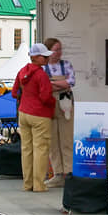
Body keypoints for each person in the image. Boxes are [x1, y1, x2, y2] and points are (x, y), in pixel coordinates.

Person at [11, 43, 56, 192]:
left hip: (24, 113)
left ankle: (27, 183)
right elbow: (46, 96)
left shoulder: (22, 71)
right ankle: (39, 185)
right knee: (41, 149)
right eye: (44, 56)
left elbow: (14, 92)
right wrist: (53, 104)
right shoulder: (41, 74)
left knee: (26, 149)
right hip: (39, 115)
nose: (47, 59)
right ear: (36, 57)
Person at [42, 37, 75, 188]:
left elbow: (71, 82)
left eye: (60, 49)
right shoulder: (42, 67)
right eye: (56, 50)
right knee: (53, 140)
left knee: (67, 137)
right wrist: (60, 84)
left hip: (65, 102)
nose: (59, 53)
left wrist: (52, 83)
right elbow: (45, 86)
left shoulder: (66, 64)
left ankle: (69, 172)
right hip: (49, 103)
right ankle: (58, 173)